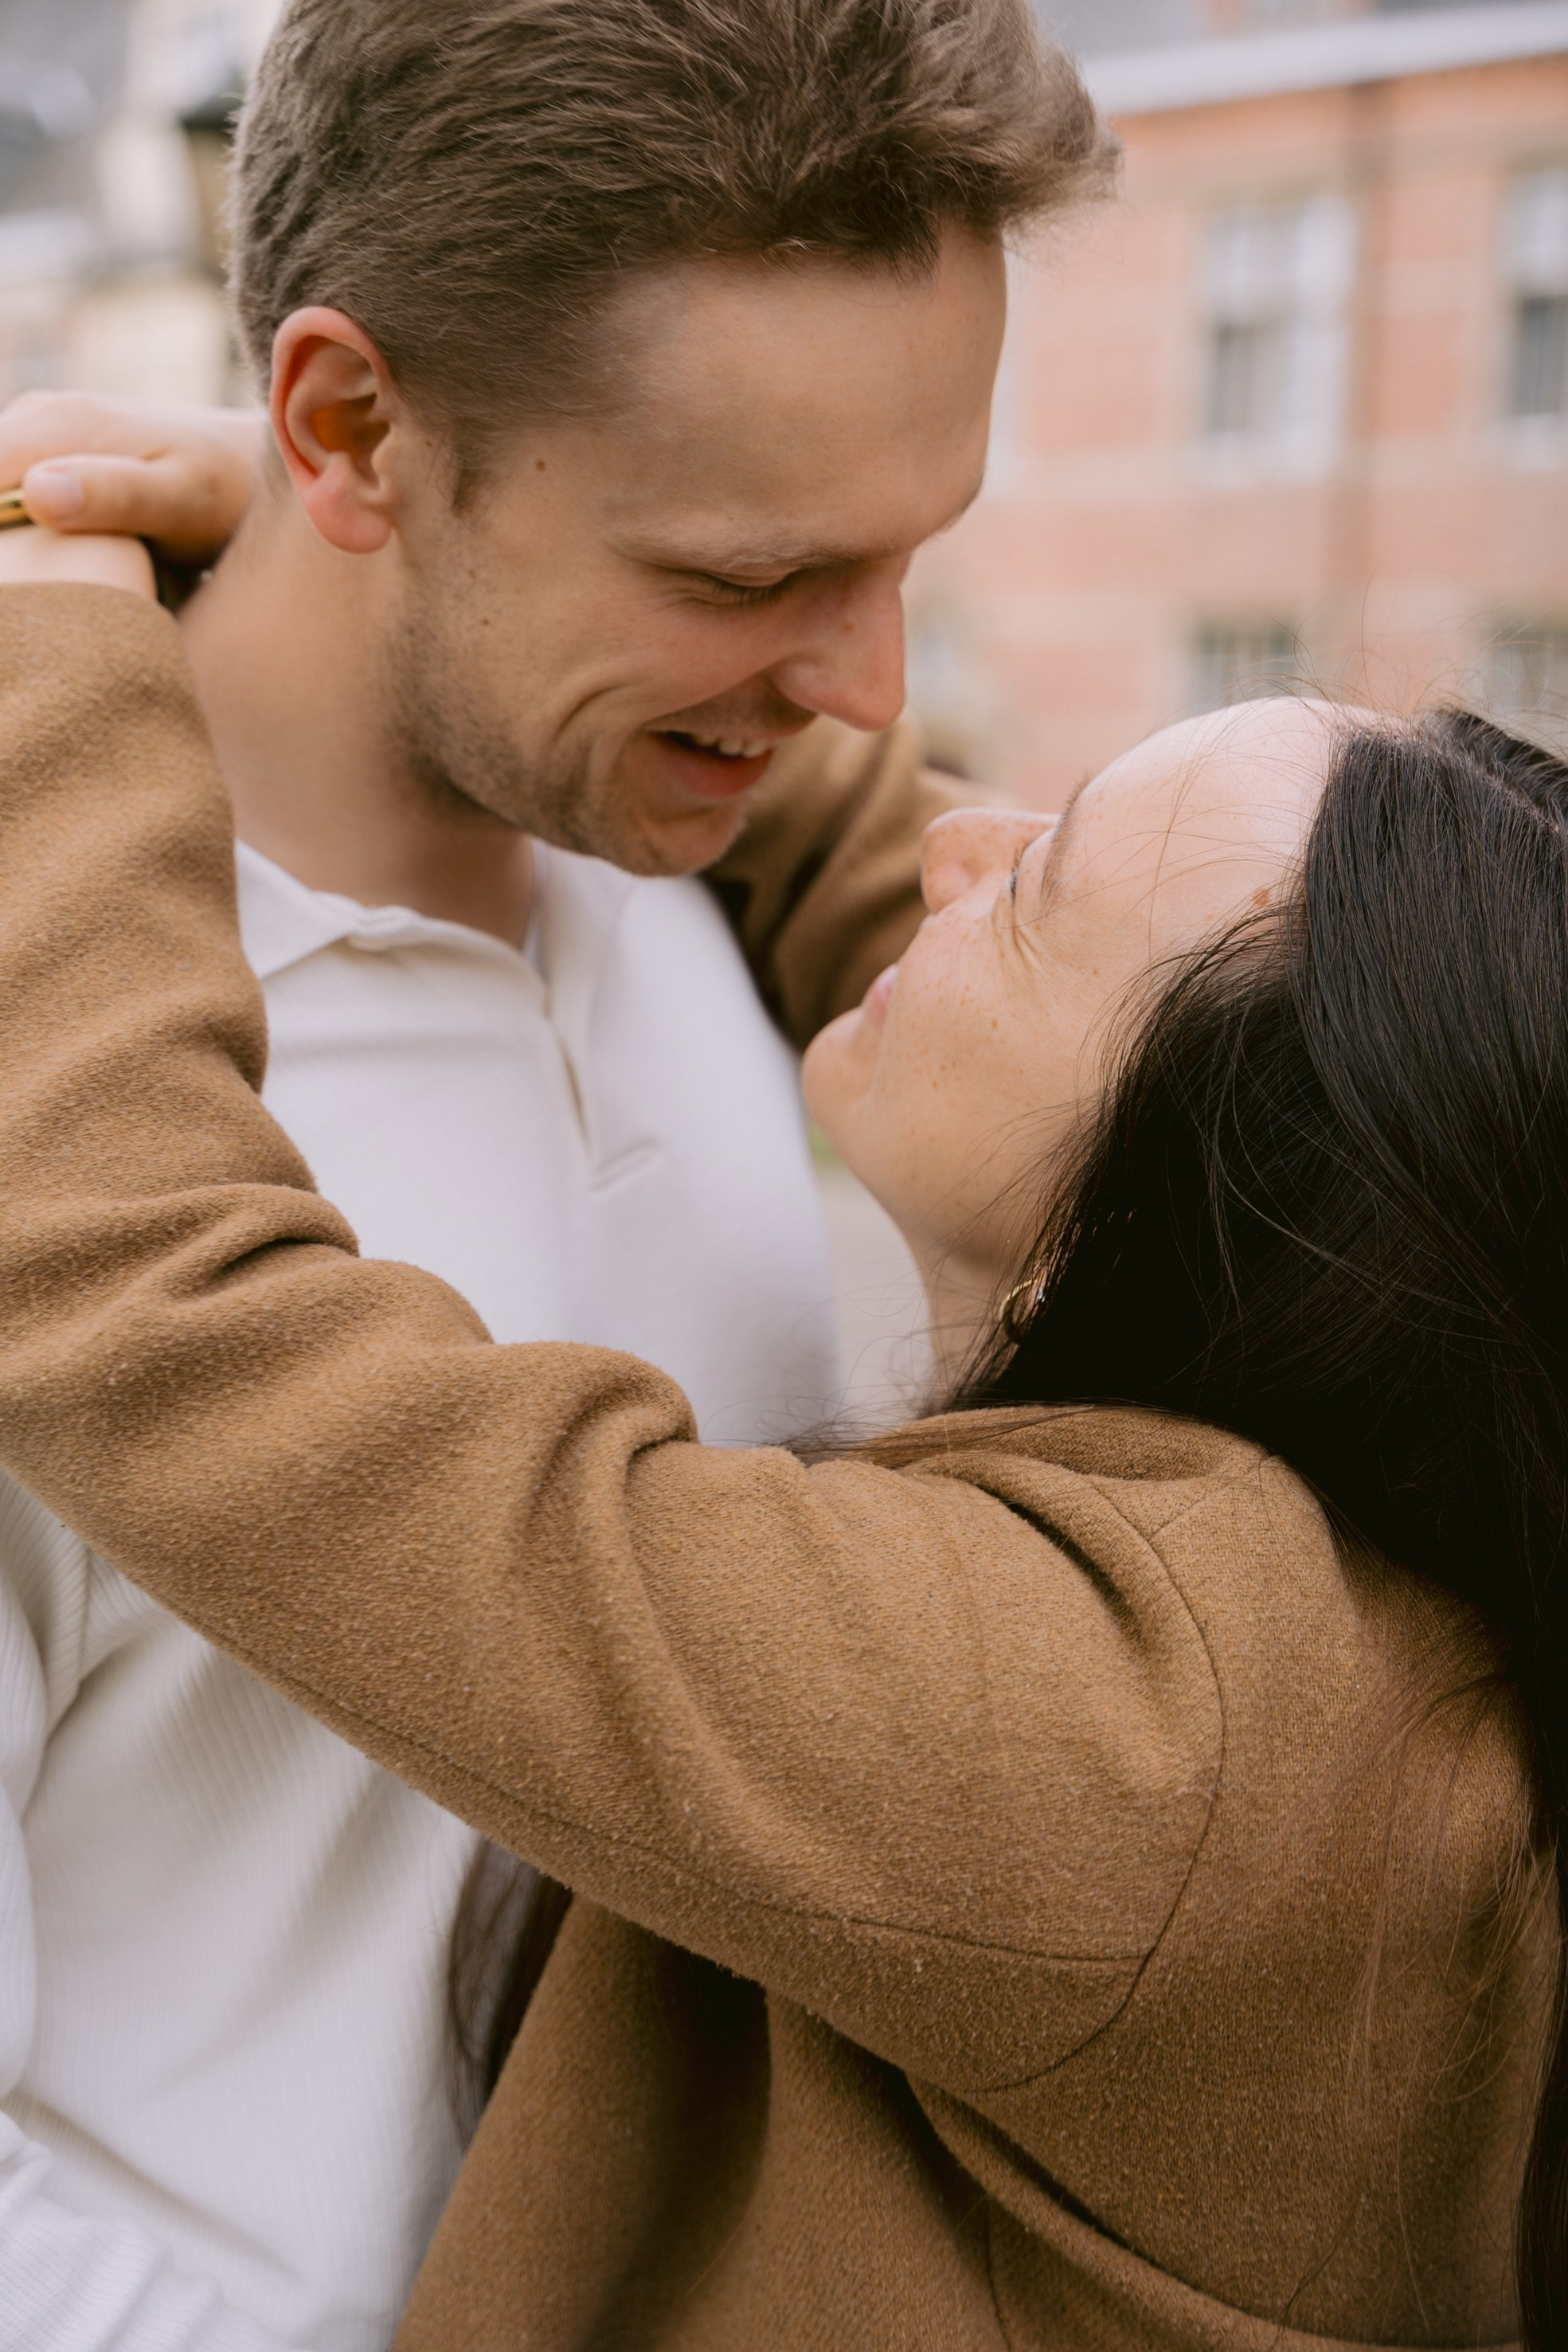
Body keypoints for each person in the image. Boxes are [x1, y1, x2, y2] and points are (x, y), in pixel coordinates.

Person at [0, 558, 1558, 2347]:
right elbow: (1050, 974)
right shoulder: (1379, 1572)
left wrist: (54, 619)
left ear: (1197, 1209)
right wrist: (424, 576)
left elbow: (151, 1292)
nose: (948, 842)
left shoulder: (1142, 1735)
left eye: (1035, 882)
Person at [0, 2, 1114, 2342]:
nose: (867, 686)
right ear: (348, 427)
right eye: (745, 572)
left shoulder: (697, 870)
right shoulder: (59, 1084)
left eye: (910, 554)